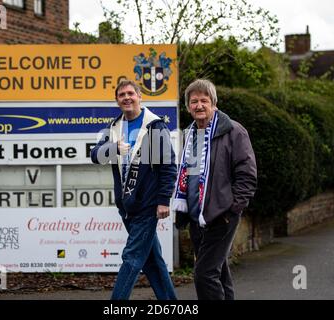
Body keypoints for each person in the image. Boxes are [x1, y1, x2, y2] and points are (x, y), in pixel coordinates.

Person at [91, 79, 178, 300]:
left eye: (131, 93)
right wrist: (114, 148)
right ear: (117, 101)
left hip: (147, 206)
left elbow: (167, 166)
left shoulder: (154, 126)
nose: (127, 97)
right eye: (122, 95)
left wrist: (163, 200)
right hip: (127, 206)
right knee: (152, 261)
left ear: (140, 96)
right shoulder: (114, 127)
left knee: (131, 258)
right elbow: (94, 155)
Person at [173, 79, 257, 300]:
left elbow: (247, 175)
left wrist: (232, 209)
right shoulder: (190, 134)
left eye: (204, 100)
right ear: (188, 106)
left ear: (214, 103)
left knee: (204, 274)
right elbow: (188, 176)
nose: (199, 105)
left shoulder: (233, 131)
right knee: (218, 272)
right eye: (194, 101)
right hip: (196, 217)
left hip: (221, 216)